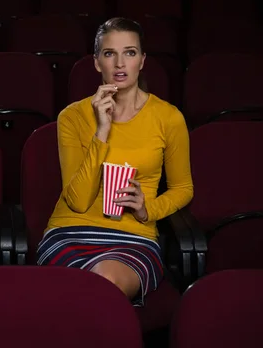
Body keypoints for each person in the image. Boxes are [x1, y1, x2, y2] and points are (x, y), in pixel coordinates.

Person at [36, 17, 194, 306]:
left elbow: (183, 187)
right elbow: (79, 202)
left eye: (130, 53)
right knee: (89, 293)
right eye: (110, 54)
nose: (120, 63)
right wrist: (102, 131)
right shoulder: (72, 116)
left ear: (142, 61)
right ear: (97, 63)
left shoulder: (168, 117)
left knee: (102, 283)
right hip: (69, 233)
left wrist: (149, 209)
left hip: (133, 236)